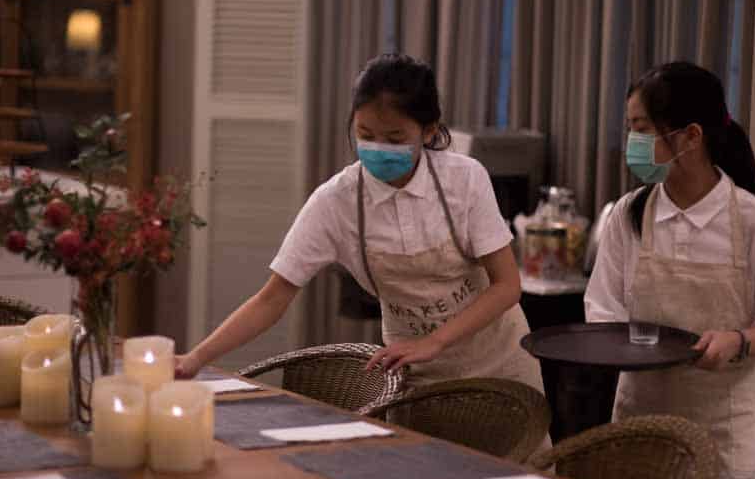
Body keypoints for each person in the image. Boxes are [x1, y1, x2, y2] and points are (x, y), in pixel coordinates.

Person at [176, 53, 544, 403]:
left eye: (395, 139)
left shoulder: (465, 179)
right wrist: (196, 359)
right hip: (417, 373)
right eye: (366, 135)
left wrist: (435, 341)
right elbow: (272, 299)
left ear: (429, 131)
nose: (378, 148)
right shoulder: (336, 201)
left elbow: (506, 286)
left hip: (500, 362)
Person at [584, 61, 755, 479]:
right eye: (630, 128)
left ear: (690, 136)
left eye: (642, 129)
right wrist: (616, 343)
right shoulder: (630, 213)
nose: (632, 142)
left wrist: (739, 341)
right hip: (640, 418)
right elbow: (602, 308)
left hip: (721, 431)